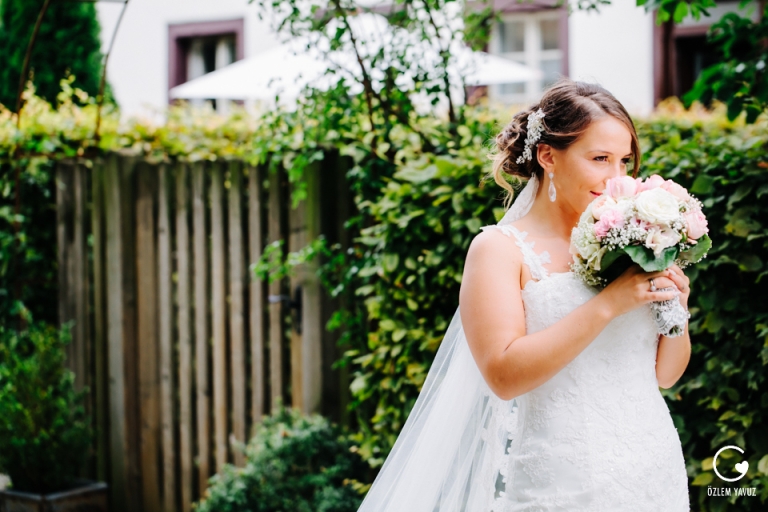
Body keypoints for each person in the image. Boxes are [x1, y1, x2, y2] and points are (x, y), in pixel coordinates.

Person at [356, 77, 691, 512]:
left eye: (625, 162)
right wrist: (609, 304)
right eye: (600, 159)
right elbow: (503, 375)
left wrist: (676, 309)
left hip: (653, 468)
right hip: (564, 480)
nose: (617, 179)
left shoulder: (632, 242)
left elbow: (665, 374)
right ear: (548, 155)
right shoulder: (499, 249)